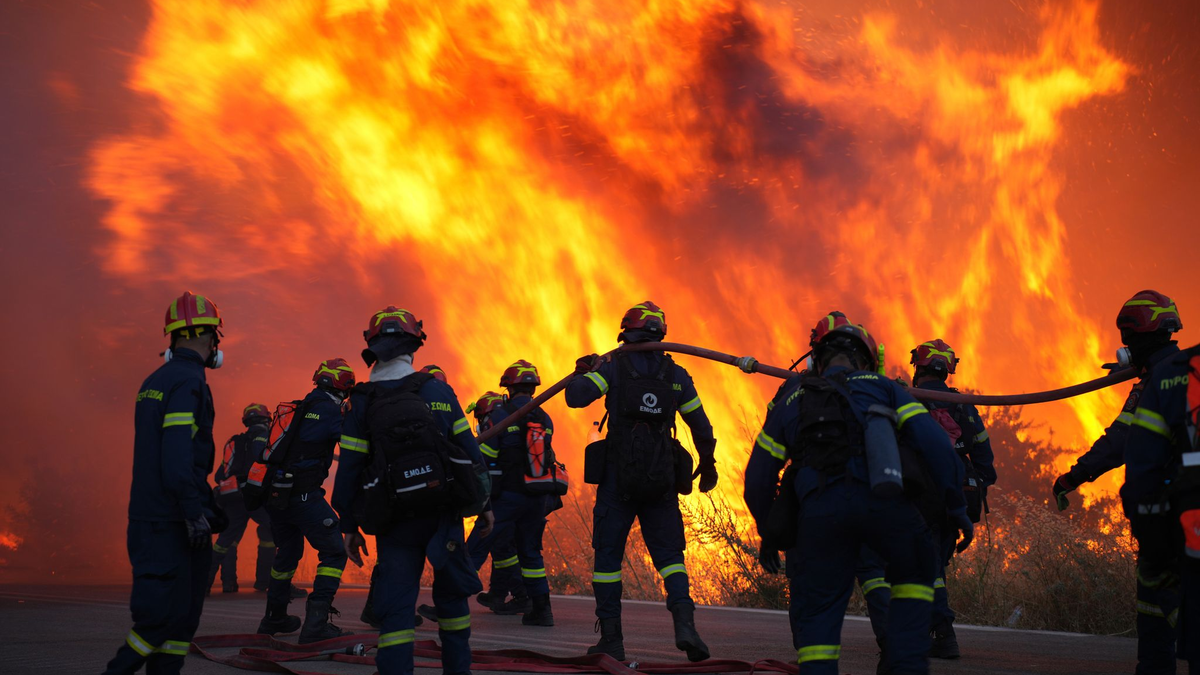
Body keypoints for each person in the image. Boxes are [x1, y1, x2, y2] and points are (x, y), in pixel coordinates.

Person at [744, 312, 970, 675]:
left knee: (818, 619)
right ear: (867, 358)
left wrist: (770, 532)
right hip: (887, 505)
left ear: (816, 356)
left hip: (818, 516)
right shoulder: (886, 388)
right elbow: (938, 450)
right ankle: (904, 661)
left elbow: (758, 478)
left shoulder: (793, 397)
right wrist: (957, 509)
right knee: (913, 575)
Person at [332, 306, 495, 675]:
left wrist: (348, 523)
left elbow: (350, 468)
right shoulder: (437, 389)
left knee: (397, 606)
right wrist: (484, 503)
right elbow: (469, 452)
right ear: (415, 345)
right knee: (452, 600)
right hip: (443, 514)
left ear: (372, 347)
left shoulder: (360, 401)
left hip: (394, 521)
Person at [566, 301, 718, 662]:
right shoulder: (676, 375)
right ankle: (685, 625)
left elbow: (575, 397)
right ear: (660, 334)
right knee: (670, 558)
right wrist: (708, 463)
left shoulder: (613, 368)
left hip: (619, 481)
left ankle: (612, 641)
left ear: (625, 332)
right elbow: (701, 425)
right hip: (661, 480)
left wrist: (584, 371)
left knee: (607, 561)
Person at [1054, 291, 1183, 675]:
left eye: (1129, 339)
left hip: (1168, 510)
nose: (1125, 347)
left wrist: (1074, 475)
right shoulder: (1187, 370)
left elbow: (1121, 442)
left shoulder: (1156, 382)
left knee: (1161, 599)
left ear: (1140, 338)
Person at [102, 291, 225, 675]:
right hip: (170, 523)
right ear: (209, 337)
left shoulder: (155, 380)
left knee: (181, 622)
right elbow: (176, 460)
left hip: (158, 518)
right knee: (157, 622)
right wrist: (193, 514)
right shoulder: (188, 383)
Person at [254, 358, 355, 643]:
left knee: (286, 554)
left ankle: (274, 617)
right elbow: (350, 445)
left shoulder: (303, 405)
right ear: (344, 386)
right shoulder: (329, 410)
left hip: (276, 495)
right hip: (302, 495)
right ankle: (316, 625)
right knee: (334, 550)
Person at [909, 339, 996, 659]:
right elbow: (985, 456)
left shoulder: (908, 400)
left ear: (918, 367)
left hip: (920, 494)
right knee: (934, 563)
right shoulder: (962, 406)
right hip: (956, 494)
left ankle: (942, 633)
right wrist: (978, 486)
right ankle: (927, 629)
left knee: (925, 565)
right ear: (947, 370)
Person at [1121, 307, 1195, 674]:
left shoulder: (1167, 378)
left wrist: (1144, 522)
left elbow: (1139, 456)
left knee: (1160, 597)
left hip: (1181, 519)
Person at [469, 361, 556, 626]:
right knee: (531, 554)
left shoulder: (501, 416)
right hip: (537, 498)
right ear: (532, 388)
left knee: (473, 548)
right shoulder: (544, 417)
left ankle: (447, 605)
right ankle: (542, 611)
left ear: (509, 387)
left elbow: (484, 460)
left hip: (506, 498)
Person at [208, 403, 305, 598]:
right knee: (275, 531)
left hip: (233, 497)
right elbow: (268, 462)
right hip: (256, 496)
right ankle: (267, 581)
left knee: (226, 540)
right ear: (267, 419)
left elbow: (221, 473)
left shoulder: (233, 442)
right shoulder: (268, 437)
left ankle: (213, 583)